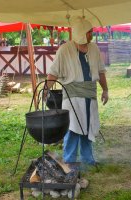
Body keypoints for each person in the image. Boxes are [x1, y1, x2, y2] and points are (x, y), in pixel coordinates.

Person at [46, 17, 109, 166]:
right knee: (72, 128)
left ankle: (88, 160)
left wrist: (105, 90)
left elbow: (100, 72)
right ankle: (69, 161)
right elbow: (53, 72)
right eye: (89, 32)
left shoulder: (94, 49)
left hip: (89, 95)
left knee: (88, 127)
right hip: (72, 95)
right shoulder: (65, 50)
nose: (91, 34)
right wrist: (45, 90)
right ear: (81, 33)